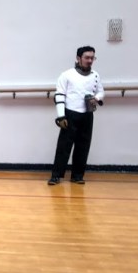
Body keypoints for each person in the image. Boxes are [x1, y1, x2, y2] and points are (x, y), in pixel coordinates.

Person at [48, 46, 104, 185]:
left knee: (83, 146)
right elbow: (59, 95)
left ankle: (77, 175)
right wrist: (61, 116)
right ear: (78, 58)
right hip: (70, 114)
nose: (90, 60)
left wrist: (96, 98)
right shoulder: (66, 75)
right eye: (87, 57)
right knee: (64, 146)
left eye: (92, 58)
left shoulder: (95, 75)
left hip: (87, 115)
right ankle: (56, 175)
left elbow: (101, 91)